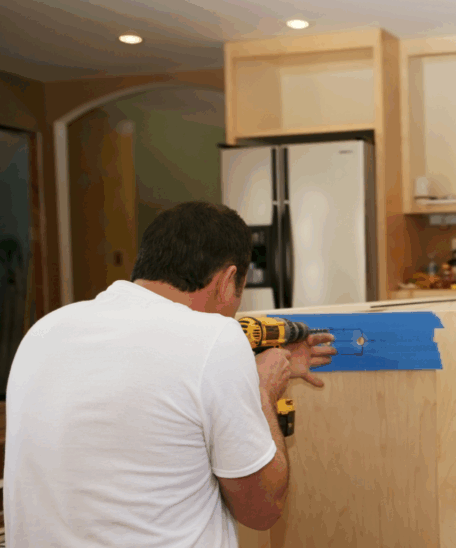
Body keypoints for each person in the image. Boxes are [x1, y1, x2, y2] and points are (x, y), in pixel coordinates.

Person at [4, 201, 336, 547]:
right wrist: (262, 393)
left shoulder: (43, 332)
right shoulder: (216, 339)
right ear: (227, 282)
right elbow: (262, 510)